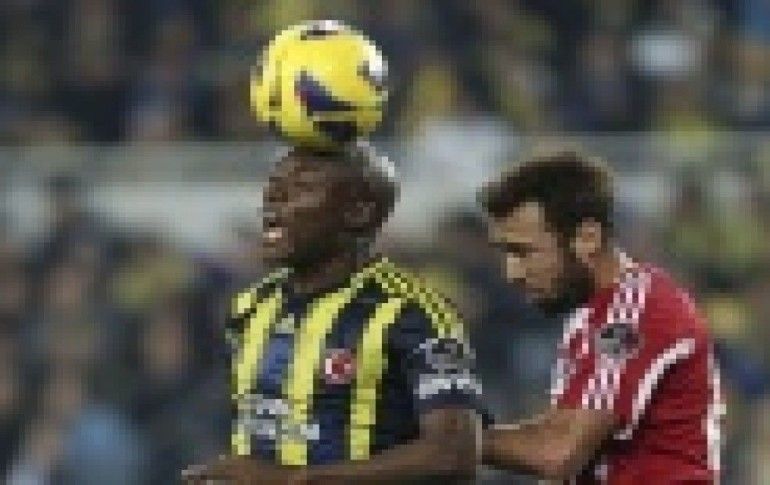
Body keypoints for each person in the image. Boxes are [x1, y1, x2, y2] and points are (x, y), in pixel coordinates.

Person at [182, 143, 483, 484]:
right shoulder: (250, 305)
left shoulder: (412, 311)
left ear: (358, 213)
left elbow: (453, 454)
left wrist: (293, 480)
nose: (273, 200)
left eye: (302, 187)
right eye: (273, 186)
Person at [478, 151, 724, 483]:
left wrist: (449, 439)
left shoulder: (634, 313)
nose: (512, 273)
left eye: (524, 252)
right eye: (506, 253)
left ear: (588, 239)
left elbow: (557, 451)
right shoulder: (593, 315)